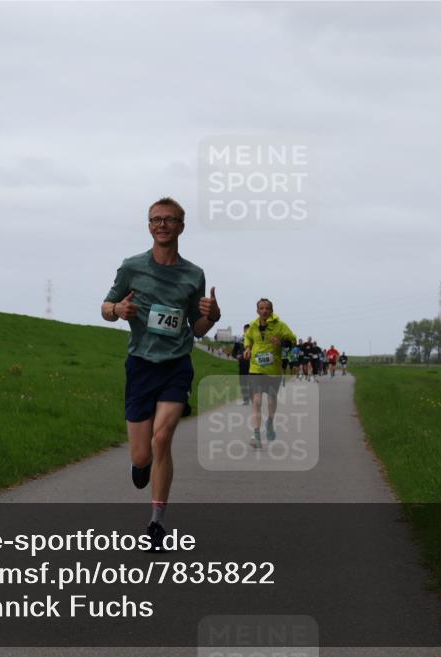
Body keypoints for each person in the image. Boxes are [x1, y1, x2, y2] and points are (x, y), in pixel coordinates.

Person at [101, 197, 220, 550]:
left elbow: (197, 327)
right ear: (149, 226)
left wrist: (212, 316)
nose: (162, 224)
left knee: (162, 439)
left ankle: (156, 522)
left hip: (176, 364)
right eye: (156, 219)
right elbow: (105, 307)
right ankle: (141, 465)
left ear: (181, 226)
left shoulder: (194, 274)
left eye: (169, 219)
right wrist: (118, 309)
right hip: (141, 364)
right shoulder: (132, 267)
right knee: (142, 455)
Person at [243, 299, 296, 448]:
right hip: (256, 369)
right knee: (257, 400)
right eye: (261, 308)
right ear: (257, 311)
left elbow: (292, 341)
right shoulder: (253, 326)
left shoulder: (280, 325)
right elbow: (248, 339)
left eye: (267, 308)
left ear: (272, 310)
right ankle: (256, 435)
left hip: (273, 370)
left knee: (272, 400)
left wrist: (281, 343)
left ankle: (270, 422)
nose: (264, 311)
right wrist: (247, 349)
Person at [232, 324, 251, 405]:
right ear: (243, 331)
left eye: (249, 330)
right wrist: (236, 356)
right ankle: (246, 399)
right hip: (242, 364)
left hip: (253, 365)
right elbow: (233, 352)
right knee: (243, 382)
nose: (247, 332)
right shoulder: (239, 341)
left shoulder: (255, 341)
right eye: (246, 330)